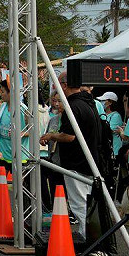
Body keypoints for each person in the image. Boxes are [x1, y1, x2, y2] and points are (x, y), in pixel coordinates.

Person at [40, 72, 101, 238]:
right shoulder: (90, 103)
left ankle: (85, 237)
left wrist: (51, 135)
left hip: (76, 162)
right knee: (86, 202)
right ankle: (89, 236)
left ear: (64, 85)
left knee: (79, 204)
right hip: (91, 159)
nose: (56, 88)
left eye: (57, 84)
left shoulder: (72, 106)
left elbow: (69, 136)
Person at [0, 79, 30, 172]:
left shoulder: (23, 109)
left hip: (19, 156)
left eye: (3, 92)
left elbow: (33, 130)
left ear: (11, 93)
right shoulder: (2, 107)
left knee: (17, 185)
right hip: (3, 154)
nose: (1, 94)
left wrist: (21, 133)